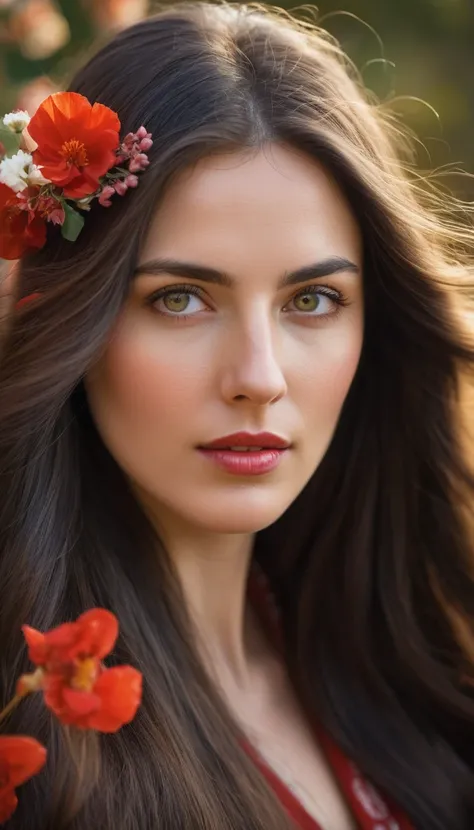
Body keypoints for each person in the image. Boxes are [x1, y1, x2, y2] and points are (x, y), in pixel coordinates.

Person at [1, 2, 474, 828]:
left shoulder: (412, 663)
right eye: (180, 299)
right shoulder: (27, 735)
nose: (258, 377)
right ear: (74, 318)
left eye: (314, 299)